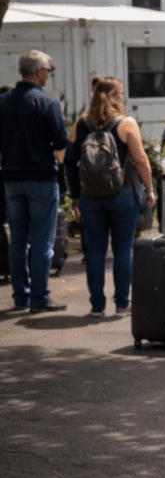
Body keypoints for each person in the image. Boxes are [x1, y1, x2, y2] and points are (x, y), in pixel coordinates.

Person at [64, 77, 156, 317]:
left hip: (90, 196)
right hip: (123, 194)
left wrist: (75, 194)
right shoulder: (127, 124)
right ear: (117, 97)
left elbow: (69, 162)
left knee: (95, 250)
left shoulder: (80, 124)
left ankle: (96, 305)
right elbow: (140, 160)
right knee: (123, 249)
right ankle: (122, 304)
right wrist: (149, 188)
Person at [0, 50, 69, 313]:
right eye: (48, 70)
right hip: (40, 177)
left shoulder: (3, 102)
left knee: (17, 238)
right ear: (39, 71)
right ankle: (39, 297)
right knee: (42, 240)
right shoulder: (46, 103)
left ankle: (20, 296)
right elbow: (61, 141)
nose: (49, 75)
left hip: (11, 179)